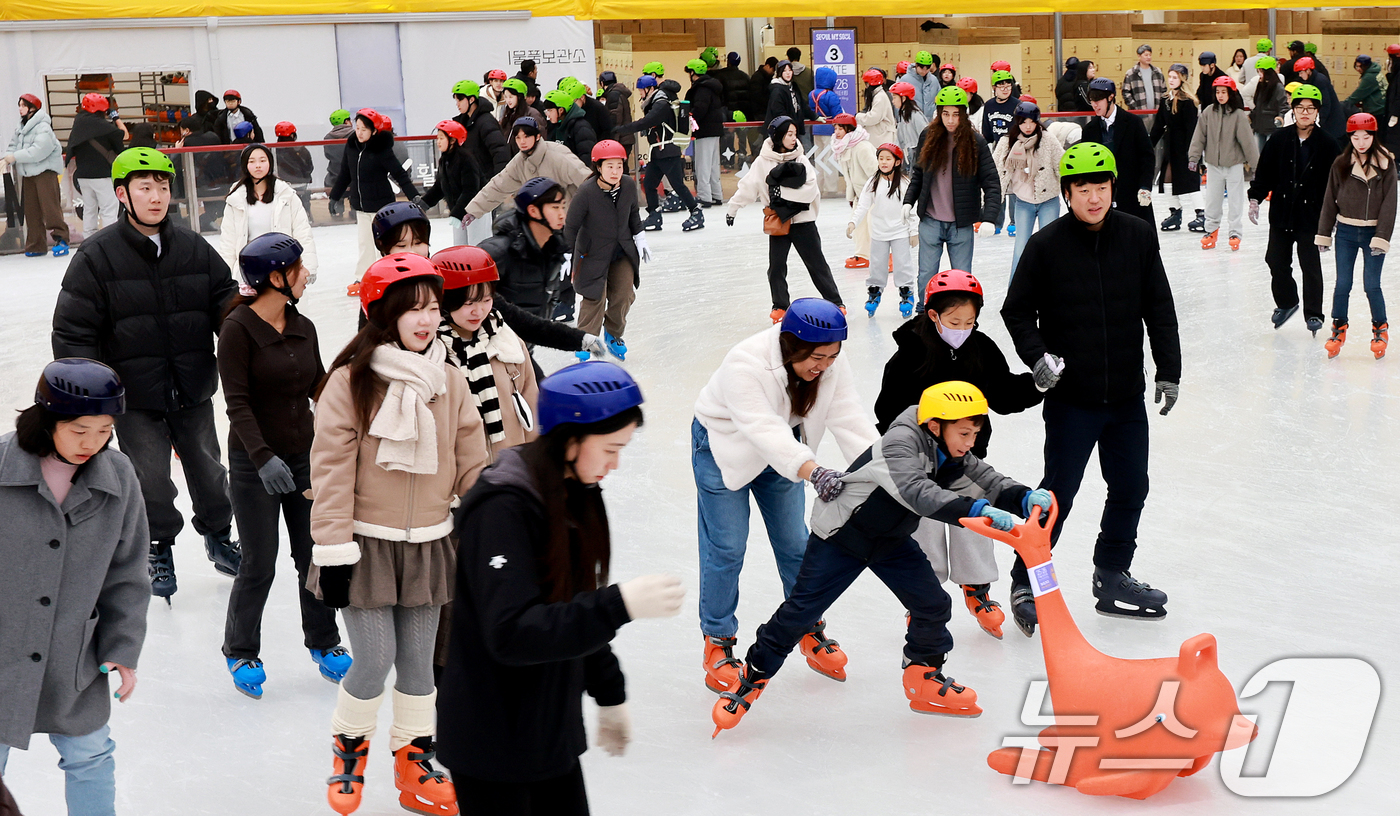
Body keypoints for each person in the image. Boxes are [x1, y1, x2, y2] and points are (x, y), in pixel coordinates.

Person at [713, 380, 1051, 733]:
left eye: (974, 434)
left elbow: (984, 478)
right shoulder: (900, 443)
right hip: (842, 536)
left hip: (890, 539)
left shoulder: (949, 451)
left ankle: (923, 676)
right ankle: (751, 677)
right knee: (801, 613)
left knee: (932, 604)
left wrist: (1022, 497)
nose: (970, 443)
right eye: (964, 433)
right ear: (935, 426)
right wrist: (976, 509)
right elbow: (918, 492)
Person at [438, 360, 682, 814]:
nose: (615, 463)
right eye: (610, 448)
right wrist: (619, 605)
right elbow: (511, 632)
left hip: (550, 736)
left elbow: (568, 602)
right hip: (492, 743)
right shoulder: (502, 510)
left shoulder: (570, 493)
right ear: (571, 440)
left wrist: (608, 690)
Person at [308, 253, 487, 816]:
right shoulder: (349, 383)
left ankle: (414, 760)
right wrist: (333, 550)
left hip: (430, 542)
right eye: (414, 309)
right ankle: (350, 749)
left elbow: (472, 461)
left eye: (433, 308)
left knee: (417, 663)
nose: (427, 319)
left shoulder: (449, 381)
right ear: (383, 314)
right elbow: (331, 472)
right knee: (374, 657)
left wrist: (490, 523)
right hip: (363, 545)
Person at [1000, 141, 1181, 635]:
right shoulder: (1046, 245)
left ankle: (1112, 574)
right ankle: (1025, 580)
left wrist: (1169, 369)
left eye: (1101, 187)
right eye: (1082, 189)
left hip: (1125, 395)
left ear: (1112, 187)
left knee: (1130, 487)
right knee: (1058, 494)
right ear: (1067, 193)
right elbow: (1017, 311)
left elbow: (1159, 306)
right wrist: (1038, 358)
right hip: (1072, 399)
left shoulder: (1138, 236)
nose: (1094, 197)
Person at [52, 147, 241, 601]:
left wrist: (252, 331)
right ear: (122, 194)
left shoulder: (193, 247)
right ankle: (158, 547)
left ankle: (219, 535)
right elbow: (74, 331)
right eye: (144, 188)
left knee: (209, 469)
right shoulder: (97, 256)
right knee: (149, 478)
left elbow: (226, 302)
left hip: (192, 384)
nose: (156, 197)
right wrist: (89, 394)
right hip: (134, 395)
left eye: (162, 187)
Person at [692, 300, 878, 694]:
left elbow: (848, 415)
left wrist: (883, 470)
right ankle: (717, 643)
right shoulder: (746, 363)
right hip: (724, 445)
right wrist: (814, 471)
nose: (824, 365)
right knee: (726, 546)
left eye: (832, 356)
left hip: (785, 450)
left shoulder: (829, 361)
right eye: (816, 357)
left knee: (795, 544)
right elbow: (762, 428)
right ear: (791, 345)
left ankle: (807, 627)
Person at [0, 359, 149, 816]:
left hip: (73, 654)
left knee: (91, 756)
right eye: (79, 430)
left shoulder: (118, 476)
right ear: (48, 420)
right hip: (3, 649)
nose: (92, 443)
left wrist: (122, 647)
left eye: (104, 430)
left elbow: (128, 571)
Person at [216, 233, 347, 700]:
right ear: (275, 278)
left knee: (313, 556)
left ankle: (324, 642)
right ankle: (240, 650)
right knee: (259, 563)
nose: (306, 274)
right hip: (255, 465)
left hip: (304, 457)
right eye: (298, 268)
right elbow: (237, 404)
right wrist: (262, 458)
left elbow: (319, 385)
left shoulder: (303, 326)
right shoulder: (237, 330)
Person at [725, 117, 844, 320]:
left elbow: (811, 190)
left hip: (803, 222)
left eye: (794, 134)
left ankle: (836, 302)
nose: (793, 138)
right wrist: (733, 208)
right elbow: (748, 186)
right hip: (778, 221)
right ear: (778, 136)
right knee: (776, 267)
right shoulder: (763, 162)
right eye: (789, 134)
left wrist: (780, 193)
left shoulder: (801, 159)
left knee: (817, 264)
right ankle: (780, 306)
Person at [1248, 84, 1341, 335]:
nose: (1305, 112)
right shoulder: (1279, 139)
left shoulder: (1328, 144)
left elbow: (1336, 184)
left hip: (1311, 216)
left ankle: (1314, 313)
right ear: (1293, 110)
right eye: (1300, 108)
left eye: (1310, 108)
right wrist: (1255, 197)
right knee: (1275, 260)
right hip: (1282, 213)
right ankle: (1287, 302)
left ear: (1317, 112)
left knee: (1310, 266)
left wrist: (1334, 215)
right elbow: (1265, 172)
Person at [432, 244, 540, 457]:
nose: (478, 311)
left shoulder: (507, 341)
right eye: (468, 303)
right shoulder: (434, 352)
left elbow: (531, 402)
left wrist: (534, 459)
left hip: (511, 463)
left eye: (486, 300)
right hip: (464, 469)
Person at [903, 86, 1000, 310]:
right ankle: (924, 313)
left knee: (962, 277)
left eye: (956, 114)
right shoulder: (928, 136)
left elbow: (992, 182)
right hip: (930, 220)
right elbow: (918, 173)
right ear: (939, 114)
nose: (950, 120)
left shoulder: (975, 142)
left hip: (961, 224)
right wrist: (909, 200)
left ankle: (962, 315)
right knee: (926, 275)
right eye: (945, 114)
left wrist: (989, 217)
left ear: (963, 114)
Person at [1315, 112, 1394, 360]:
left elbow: (1390, 204)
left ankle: (1380, 328)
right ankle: (1338, 328)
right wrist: (1324, 233)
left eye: (1366, 137)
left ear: (1373, 136)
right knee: (1343, 283)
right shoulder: (1341, 164)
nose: (1361, 142)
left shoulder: (1386, 164)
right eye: (1356, 137)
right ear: (1350, 137)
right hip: (1346, 232)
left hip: (1373, 232)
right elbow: (1330, 199)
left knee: (1372, 284)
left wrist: (1382, 236)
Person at [563, 141, 644, 360]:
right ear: (598, 167)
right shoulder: (586, 192)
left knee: (624, 294)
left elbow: (633, 213)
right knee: (594, 297)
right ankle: (585, 340)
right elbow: (571, 225)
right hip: (592, 253)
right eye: (610, 166)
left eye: (619, 166)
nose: (615, 171)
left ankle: (613, 333)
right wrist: (566, 253)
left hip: (622, 250)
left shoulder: (627, 185)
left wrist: (640, 235)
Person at [328, 109, 421, 292]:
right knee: (365, 244)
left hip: (382, 207)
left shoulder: (381, 149)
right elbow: (345, 173)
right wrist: (335, 196)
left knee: (385, 243)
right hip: (361, 206)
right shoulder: (352, 146)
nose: (359, 132)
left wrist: (414, 196)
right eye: (357, 128)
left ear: (374, 131)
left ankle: (392, 275)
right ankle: (362, 278)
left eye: (364, 129)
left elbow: (399, 174)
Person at [612, 76, 704, 232]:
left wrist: (621, 129)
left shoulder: (660, 104)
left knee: (677, 185)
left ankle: (696, 212)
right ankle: (654, 215)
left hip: (668, 151)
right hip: (658, 152)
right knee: (649, 184)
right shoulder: (655, 102)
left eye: (641, 90)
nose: (640, 94)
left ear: (650, 89)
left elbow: (647, 122)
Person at [218, 143, 319, 282]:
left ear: (270, 163)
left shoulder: (286, 195)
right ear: (245, 165)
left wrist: (309, 266)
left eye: (262, 160)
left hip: (282, 267)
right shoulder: (235, 200)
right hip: (249, 270)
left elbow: (303, 233)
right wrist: (225, 277)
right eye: (252, 161)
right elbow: (228, 242)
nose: (258, 165)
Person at [479, 178, 572, 323]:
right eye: (555, 207)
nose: (562, 215)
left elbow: (548, 300)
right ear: (533, 211)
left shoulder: (554, 249)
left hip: (531, 335)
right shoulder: (499, 252)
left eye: (563, 207)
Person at [994, 101, 1064, 276]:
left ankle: (1052, 287)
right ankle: (1016, 289)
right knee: (1021, 249)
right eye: (1023, 122)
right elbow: (996, 171)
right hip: (1023, 202)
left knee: (1050, 247)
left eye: (1031, 122)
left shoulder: (1047, 139)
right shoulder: (1007, 142)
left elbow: (1061, 165)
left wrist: (1070, 190)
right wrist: (991, 201)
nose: (1027, 126)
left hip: (1048, 200)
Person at [1189, 76, 1257, 252]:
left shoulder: (1238, 115)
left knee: (1235, 201)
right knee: (1212, 200)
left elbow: (1248, 143)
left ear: (1230, 94)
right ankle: (1211, 230)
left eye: (1223, 92)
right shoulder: (1208, 112)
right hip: (1214, 165)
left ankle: (1235, 233)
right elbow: (1199, 136)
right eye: (1217, 92)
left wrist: (1256, 166)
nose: (1220, 95)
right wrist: (1193, 157)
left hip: (1234, 165)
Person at [851, 143, 919, 316]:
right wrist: (853, 223)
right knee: (877, 265)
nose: (883, 162)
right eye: (881, 158)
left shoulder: (904, 183)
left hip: (900, 231)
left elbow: (912, 208)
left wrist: (914, 231)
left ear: (897, 162)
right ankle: (874, 292)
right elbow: (862, 205)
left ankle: (906, 293)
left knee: (902, 264)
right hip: (879, 232)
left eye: (888, 159)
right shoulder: (873, 182)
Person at [1081, 77, 1156, 224]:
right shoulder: (1089, 130)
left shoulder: (1133, 123)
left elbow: (1147, 156)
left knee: (1137, 232)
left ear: (1111, 97)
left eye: (1098, 100)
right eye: (1091, 100)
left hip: (1132, 193)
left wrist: (1145, 187)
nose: (1094, 105)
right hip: (1103, 197)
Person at [2, 94, 70, 257]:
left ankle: (61, 239)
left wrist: (15, 157)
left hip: (45, 173)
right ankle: (36, 244)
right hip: (28, 175)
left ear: (32, 108)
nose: (20, 109)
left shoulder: (43, 127)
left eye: (23, 105)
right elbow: (13, 145)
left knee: (50, 208)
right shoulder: (21, 128)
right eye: (19, 105)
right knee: (31, 211)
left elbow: (39, 151)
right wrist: (6, 157)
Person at [450, 81, 511, 243]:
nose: (457, 103)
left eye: (460, 99)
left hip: (481, 192)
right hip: (462, 193)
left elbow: (500, 153)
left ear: (471, 99)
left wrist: (496, 185)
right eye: (455, 99)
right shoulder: (460, 123)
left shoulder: (486, 122)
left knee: (478, 243)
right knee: (460, 246)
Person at [1152, 64, 1204, 233]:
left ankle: (1201, 214)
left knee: (1191, 181)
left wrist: (1194, 155)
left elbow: (1192, 130)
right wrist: (1148, 145)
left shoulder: (1188, 102)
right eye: (1170, 77)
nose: (1171, 80)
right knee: (1167, 180)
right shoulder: (1165, 99)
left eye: (1175, 77)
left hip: (1186, 149)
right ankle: (1175, 212)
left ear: (1182, 79)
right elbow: (1158, 126)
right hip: (1171, 148)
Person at [67, 94, 125, 236]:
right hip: (102, 174)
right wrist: (115, 118)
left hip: (83, 174)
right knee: (108, 209)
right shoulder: (104, 127)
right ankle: (110, 238)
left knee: (89, 209)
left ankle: (89, 238)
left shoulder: (78, 123)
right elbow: (124, 134)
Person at [831, 114, 878, 272]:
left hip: (873, 194)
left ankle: (886, 255)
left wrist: (877, 194)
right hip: (859, 193)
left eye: (840, 128)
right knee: (859, 227)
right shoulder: (843, 147)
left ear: (849, 129)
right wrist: (852, 196)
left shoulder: (862, 147)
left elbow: (875, 172)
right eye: (835, 128)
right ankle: (863, 255)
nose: (837, 132)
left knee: (875, 226)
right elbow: (849, 176)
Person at [982, 70, 1021, 235]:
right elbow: (987, 130)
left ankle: (1014, 222)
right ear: (994, 88)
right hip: (998, 148)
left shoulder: (1017, 105)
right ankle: (996, 221)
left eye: (1008, 86)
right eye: (1001, 86)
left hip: (1015, 148)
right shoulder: (989, 105)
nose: (1005, 89)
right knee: (998, 185)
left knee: (1015, 185)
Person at [683, 59, 726, 207]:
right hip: (715, 130)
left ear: (693, 72)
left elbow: (700, 109)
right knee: (713, 164)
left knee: (702, 165)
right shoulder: (712, 87)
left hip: (704, 130)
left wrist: (690, 119)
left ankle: (704, 196)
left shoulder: (701, 89)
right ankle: (716, 194)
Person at [541, 90, 597, 168]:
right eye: (546, 111)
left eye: (550, 111)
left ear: (561, 110)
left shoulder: (581, 128)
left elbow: (587, 156)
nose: (548, 115)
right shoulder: (554, 125)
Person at [1245, 57, 1290, 155]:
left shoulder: (1278, 87)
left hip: (1271, 128)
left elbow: (1284, 106)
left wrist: (1280, 119)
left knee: (1270, 154)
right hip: (1259, 127)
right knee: (1260, 155)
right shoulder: (1261, 85)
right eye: (1258, 71)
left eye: (1261, 71)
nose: (1259, 74)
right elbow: (1259, 106)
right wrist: (1251, 116)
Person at [1294, 56, 1347, 140]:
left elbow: (1325, 105)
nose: (1300, 75)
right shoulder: (1311, 80)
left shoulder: (1319, 81)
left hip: (1332, 124)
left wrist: (1317, 122)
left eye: (1301, 72)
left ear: (1308, 71)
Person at [272, 122, 316, 220]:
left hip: (282, 185)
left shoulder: (273, 149)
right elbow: (309, 167)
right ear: (292, 135)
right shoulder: (301, 149)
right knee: (303, 202)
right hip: (301, 184)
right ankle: (306, 215)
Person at [714, 52, 751, 166]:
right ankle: (742, 157)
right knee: (742, 136)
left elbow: (719, 96)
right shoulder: (745, 76)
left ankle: (727, 159)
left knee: (727, 135)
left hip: (728, 111)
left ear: (728, 61)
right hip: (742, 112)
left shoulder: (720, 75)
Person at [765, 60, 809, 143]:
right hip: (781, 130)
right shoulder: (777, 89)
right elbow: (778, 111)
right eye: (784, 71)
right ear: (779, 73)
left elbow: (802, 104)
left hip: (792, 129)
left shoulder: (793, 86)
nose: (788, 73)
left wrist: (815, 116)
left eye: (790, 70)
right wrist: (788, 125)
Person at [322, 109, 354, 222]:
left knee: (337, 194)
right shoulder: (355, 135)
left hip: (334, 177)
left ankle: (337, 212)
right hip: (353, 177)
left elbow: (328, 155)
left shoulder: (327, 138)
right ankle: (354, 212)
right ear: (346, 121)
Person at [498, 79, 545, 154]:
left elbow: (541, 138)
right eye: (506, 97)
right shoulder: (508, 113)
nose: (508, 100)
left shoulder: (532, 114)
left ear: (519, 97)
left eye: (511, 97)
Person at [855, 68, 897, 149]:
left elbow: (873, 117)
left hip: (882, 138)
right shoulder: (877, 95)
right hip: (880, 136)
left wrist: (858, 116)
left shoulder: (879, 97)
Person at [598, 72, 635, 160]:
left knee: (618, 164)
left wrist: (612, 140)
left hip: (620, 139)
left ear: (602, 83)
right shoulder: (618, 92)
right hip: (625, 137)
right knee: (621, 164)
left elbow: (614, 118)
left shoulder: (613, 94)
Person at [1122, 44, 1165, 113]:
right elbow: (1125, 92)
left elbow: (1164, 90)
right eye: (1146, 55)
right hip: (1139, 113)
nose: (1148, 57)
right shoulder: (1131, 73)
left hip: (1156, 112)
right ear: (1139, 56)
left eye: (1150, 55)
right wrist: (1134, 106)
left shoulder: (1157, 72)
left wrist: (1161, 105)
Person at [1345, 55, 1386, 124]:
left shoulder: (1369, 77)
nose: (1358, 69)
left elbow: (1358, 94)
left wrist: (1344, 104)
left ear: (1366, 66)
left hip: (1376, 109)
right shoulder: (1375, 71)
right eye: (1357, 66)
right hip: (1382, 107)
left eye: (1361, 66)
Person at [808, 66, 843, 139]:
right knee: (830, 146)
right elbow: (838, 114)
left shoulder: (811, 94)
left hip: (815, 128)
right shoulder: (830, 95)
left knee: (817, 146)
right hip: (829, 128)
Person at [902, 51, 940, 116]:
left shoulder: (933, 80)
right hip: (912, 119)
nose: (924, 71)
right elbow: (899, 103)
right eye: (922, 68)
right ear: (916, 65)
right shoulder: (905, 80)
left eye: (927, 68)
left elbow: (939, 98)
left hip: (930, 119)